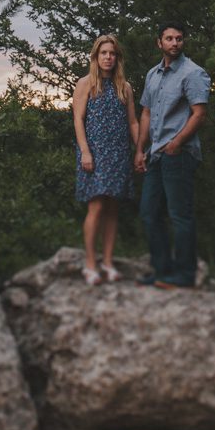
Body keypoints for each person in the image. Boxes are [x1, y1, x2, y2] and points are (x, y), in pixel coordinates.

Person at [137, 20, 209, 289]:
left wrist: (176, 144)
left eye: (179, 38)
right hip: (155, 153)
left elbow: (199, 114)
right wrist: (140, 150)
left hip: (179, 153)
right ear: (160, 42)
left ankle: (184, 275)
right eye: (169, 38)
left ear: (183, 42)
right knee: (149, 213)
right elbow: (145, 112)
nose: (174, 43)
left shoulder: (193, 73)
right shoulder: (153, 75)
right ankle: (162, 271)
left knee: (180, 215)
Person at [72, 33, 140, 286]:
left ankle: (108, 262)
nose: (108, 57)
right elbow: (78, 119)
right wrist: (85, 151)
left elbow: (133, 122)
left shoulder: (125, 87)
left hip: (119, 152)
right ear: (96, 56)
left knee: (113, 208)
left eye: (112, 53)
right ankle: (90, 264)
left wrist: (140, 150)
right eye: (104, 53)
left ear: (117, 57)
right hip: (94, 152)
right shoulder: (86, 83)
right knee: (97, 206)